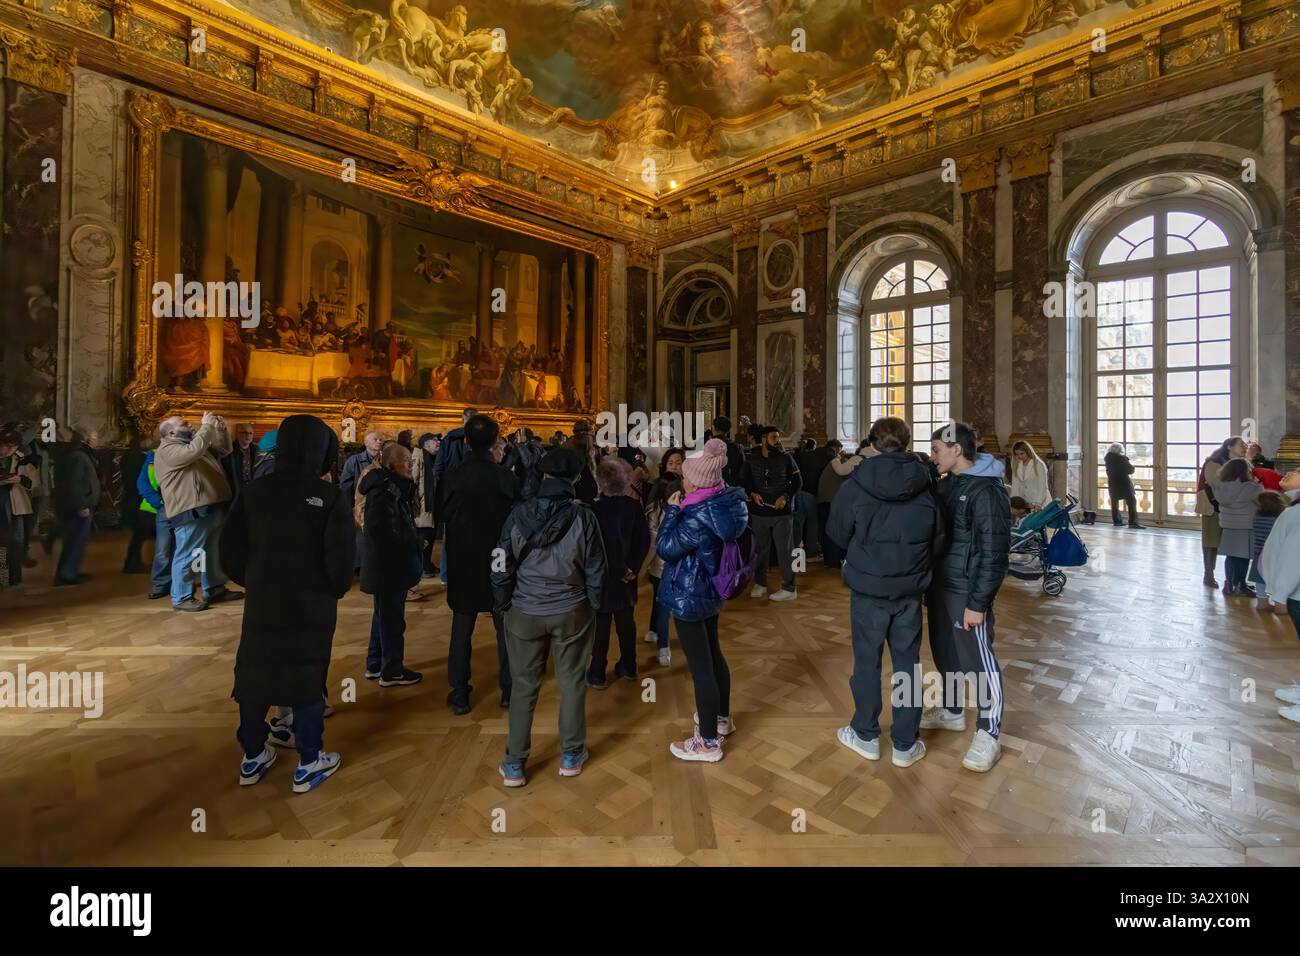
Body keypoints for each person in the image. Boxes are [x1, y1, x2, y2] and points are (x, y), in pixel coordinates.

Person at [220, 415, 354, 792]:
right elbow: (341, 558)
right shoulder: (327, 497)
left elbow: (229, 548)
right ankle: (310, 760)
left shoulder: (255, 491)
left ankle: (253, 754)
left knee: (255, 672)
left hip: (264, 599)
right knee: (306, 672)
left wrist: (257, 580)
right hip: (311, 603)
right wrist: (331, 589)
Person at [826, 417, 945, 768]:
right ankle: (906, 744)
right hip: (909, 591)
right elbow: (939, 538)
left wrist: (862, 553)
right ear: (908, 444)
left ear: (873, 446)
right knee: (908, 666)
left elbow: (835, 532)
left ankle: (865, 735)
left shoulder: (857, 483)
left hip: (868, 588)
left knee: (866, 663)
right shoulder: (926, 484)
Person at [492, 448, 607, 787]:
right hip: (571, 610)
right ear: (575, 479)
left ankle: (514, 763)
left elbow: (499, 563)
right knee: (572, 682)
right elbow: (597, 569)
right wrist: (594, 605)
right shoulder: (585, 517)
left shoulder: (517, 515)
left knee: (524, 686)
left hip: (524, 611)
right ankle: (571, 755)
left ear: (542, 475)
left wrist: (502, 603)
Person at [921, 423, 1010, 774]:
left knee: (979, 663)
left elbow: (994, 554)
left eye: (937, 450)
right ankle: (953, 710)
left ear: (957, 450)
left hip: (967, 593)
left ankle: (989, 732)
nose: (933, 456)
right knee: (946, 653)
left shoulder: (987, 492)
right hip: (941, 587)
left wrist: (978, 602)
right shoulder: (946, 484)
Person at [656, 438, 748, 763]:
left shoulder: (695, 513)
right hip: (710, 591)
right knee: (713, 654)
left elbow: (665, 548)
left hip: (690, 594)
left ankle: (707, 742)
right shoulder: (725, 501)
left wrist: (671, 512)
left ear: (693, 480)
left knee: (701, 669)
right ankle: (721, 719)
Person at [442, 414, 519, 715]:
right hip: (498, 558)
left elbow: (443, 517)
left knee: (462, 626)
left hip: (462, 559)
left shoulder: (452, 477)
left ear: (465, 441)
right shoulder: (505, 477)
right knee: (504, 627)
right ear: (495, 442)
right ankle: (509, 691)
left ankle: (460, 693)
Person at [154, 414, 240, 611]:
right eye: (183, 423)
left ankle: (215, 589)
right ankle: (182, 597)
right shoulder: (167, 450)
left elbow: (224, 450)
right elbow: (191, 452)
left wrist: (221, 429)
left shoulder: (195, 444)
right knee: (187, 554)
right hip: (190, 510)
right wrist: (207, 427)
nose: (189, 424)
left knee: (212, 553)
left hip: (210, 507)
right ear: (171, 432)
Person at [359, 442, 424, 687]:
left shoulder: (391, 487)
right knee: (392, 620)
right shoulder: (383, 491)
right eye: (406, 460)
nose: (411, 464)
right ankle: (392, 670)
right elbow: (380, 531)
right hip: (389, 567)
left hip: (387, 566)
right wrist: (409, 543)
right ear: (390, 464)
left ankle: (375, 664)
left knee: (382, 616)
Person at [587, 457, 651, 688]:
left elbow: (597, 547)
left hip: (603, 578)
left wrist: (618, 569)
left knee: (601, 628)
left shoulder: (594, 509)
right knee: (626, 623)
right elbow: (643, 541)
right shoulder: (633, 507)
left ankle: (597, 673)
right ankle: (629, 665)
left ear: (601, 482)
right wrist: (631, 568)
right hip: (626, 578)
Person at [740, 425, 802, 602]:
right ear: (763, 439)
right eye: (774, 437)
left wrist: (785, 496)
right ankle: (760, 583)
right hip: (759, 512)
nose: (778, 440)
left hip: (782, 513)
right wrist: (752, 493)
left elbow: (797, 482)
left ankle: (789, 587)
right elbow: (743, 480)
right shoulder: (750, 458)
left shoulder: (786, 458)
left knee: (785, 550)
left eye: (778, 437)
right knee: (760, 550)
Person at [1195, 436, 1248, 587]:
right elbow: (1215, 483)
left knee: (1231, 543)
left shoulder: (1242, 463)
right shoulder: (1214, 462)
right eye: (1241, 444)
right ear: (1229, 447)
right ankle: (1208, 574)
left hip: (1233, 507)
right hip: (1213, 506)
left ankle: (1231, 579)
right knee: (1211, 542)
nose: (1245, 447)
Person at [53, 428, 101, 587]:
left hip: (82, 504)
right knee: (75, 541)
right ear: (86, 439)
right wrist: (82, 504)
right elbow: (74, 483)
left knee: (76, 541)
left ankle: (70, 571)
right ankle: (67, 574)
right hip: (80, 506)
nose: (97, 441)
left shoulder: (81, 454)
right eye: (95, 437)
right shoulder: (79, 456)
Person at [433, 409, 476, 584]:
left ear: (462, 419)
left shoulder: (448, 438)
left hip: (450, 491)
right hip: (471, 489)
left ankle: (445, 575)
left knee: (449, 536)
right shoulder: (477, 438)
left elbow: (439, 466)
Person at [1261, 470, 1300, 658]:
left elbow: (1295, 556)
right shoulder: (1293, 509)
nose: (1290, 472)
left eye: (1298, 471)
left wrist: (1280, 593)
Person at [1210, 458, 1262, 597]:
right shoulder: (1251, 487)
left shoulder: (1220, 486)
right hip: (1245, 526)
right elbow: (1261, 501)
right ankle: (1241, 584)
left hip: (1227, 526)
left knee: (1231, 556)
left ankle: (1229, 583)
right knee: (1243, 557)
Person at [641, 475, 678, 666]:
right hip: (672, 567)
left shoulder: (652, 510)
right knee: (665, 608)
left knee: (659, 602)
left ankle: (652, 631)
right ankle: (664, 647)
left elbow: (652, 544)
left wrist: (644, 567)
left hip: (657, 567)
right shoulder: (679, 510)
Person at [0, 431, 39, 586]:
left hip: (15, 504)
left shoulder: (21, 458)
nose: (10, 450)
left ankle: (14, 578)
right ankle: (2, 579)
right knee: (2, 543)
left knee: (16, 541)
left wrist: (21, 479)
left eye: (14, 447)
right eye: (7, 446)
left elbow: (33, 482)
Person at [135, 442, 173, 601]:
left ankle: (181, 582)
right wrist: (159, 503)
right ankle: (160, 584)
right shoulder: (154, 455)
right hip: (164, 507)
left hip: (183, 506)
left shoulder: (187, 451)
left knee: (183, 549)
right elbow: (143, 483)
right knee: (162, 549)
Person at [341, 430, 383, 571]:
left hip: (377, 507)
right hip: (358, 506)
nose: (379, 442)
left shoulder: (383, 460)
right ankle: (360, 568)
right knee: (360, 540)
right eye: (375, 439)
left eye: (380, 440)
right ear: (366, 443)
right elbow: (345, 487)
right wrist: (350, 509)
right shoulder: (354, 461)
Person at [817, 441, 861, 569]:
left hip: (823, 500)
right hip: (831, 501)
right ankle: (835, 560)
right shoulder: (839, 464)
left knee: (827, 531)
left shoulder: (834, 464)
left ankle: (830, 560)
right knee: (834, 531)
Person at [1250, 491, 1287, 612]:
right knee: (1280, 580)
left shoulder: (1257, 517)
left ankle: (1262, 603)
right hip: (1276, 554)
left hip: (1259, 552)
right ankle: (1280, 605)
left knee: (1260, 579)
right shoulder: (1280, 518)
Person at [411, 432, 440, 577]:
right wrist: (415, 506)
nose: (438, 443)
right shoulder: (418, 458)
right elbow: (413, 482)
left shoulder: (431, 459)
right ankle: (422, 567)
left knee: (429, 536)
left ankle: (426, 564)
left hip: (429, 505)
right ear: (426, 444)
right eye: (435, 440)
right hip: (422, 507)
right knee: (423, 538)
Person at [1103, 442, 1141, 528]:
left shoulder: (1107, 458)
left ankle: (1117, 521)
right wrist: (1126, 459)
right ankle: (1133, 522)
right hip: (1124, 483)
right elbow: (1130, 470)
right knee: (1132, 501)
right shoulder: (1122, 459)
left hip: (1113, 483)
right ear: (1120, 450)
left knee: (1114, 502)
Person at [1010, 440, 1052, 511]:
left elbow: (1042, 486)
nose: (1019, 456)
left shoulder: (1038, 464)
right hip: (1025, 503)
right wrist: (1013, 503)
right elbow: (1015, 486)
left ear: (1028, 452)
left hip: (1040, 502)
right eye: (1017, 454)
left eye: (1022, 453)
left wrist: (1038, 503)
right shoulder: (1016, 464)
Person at [222, 423, 258, 497]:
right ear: (238, 434)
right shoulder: (230, 449)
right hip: (235, 488)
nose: (248, 435)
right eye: (244, 432)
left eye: (250, 433)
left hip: (252, 486)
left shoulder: (256, 450)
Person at [711, 416, 746, 486]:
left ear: (713, 428)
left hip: (711, 487)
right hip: (731, 487)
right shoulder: (736, 447)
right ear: (728, 430)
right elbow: (742, 469)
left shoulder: (706, 446)